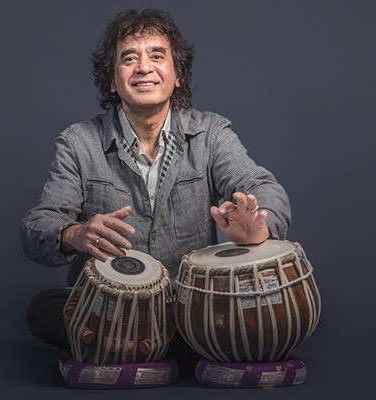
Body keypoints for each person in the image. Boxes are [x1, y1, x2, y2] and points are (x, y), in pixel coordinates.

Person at [21, 8, 291, 377]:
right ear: (113, 81)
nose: (144, 67)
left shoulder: (210, 134)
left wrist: (260, 226)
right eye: (128, 58)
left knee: (263, 302)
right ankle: (183, 355)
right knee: (43, 308)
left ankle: (126, 354)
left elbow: (263, 187)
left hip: (192, 307)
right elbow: (38, 227)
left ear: (176, 76)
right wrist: (74, 234)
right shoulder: (79, 142)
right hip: (110, 309)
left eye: (157, 56)